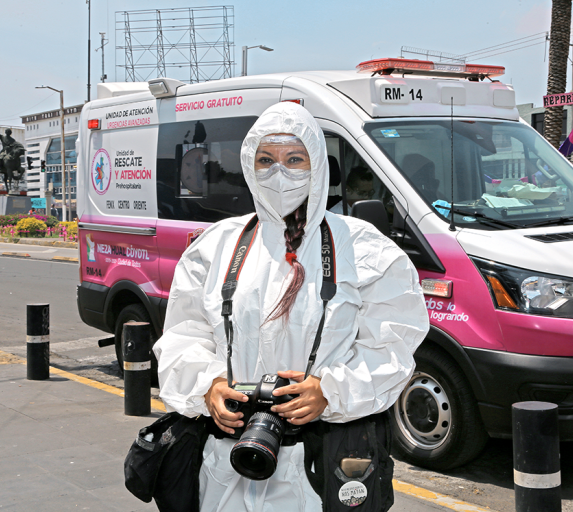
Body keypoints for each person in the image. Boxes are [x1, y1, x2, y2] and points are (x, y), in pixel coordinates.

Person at [153, 102, 429, 512]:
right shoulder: (215, 247)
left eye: (294, 159)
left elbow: (392, 346)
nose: (278, 173)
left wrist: (330, 391)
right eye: (266, 160)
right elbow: (183, 335)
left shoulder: (366, 250)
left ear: (317, 165)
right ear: (249, 165)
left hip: (317, 469)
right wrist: (207, 386)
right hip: (227, 463)